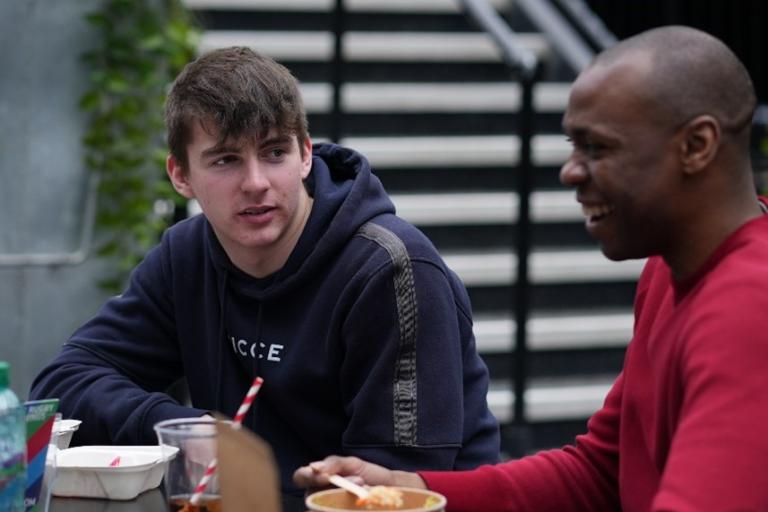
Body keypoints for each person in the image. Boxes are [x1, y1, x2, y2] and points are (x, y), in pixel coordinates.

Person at [294, 25, 768, 511]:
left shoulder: (747, 306)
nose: (570, 171)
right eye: (572, 146)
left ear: (697, 145)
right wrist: (408, 488)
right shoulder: (669, 272)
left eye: (598, 148)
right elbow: (601, 472)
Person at [29, 47, 500, 508]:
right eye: (225, 160)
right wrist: (187, 430)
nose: (255, 182)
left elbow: (395, 489)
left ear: (305, 155)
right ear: (180, 176)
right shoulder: (188, 255)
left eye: (274, 152)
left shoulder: (391, 271)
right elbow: (62, 386)